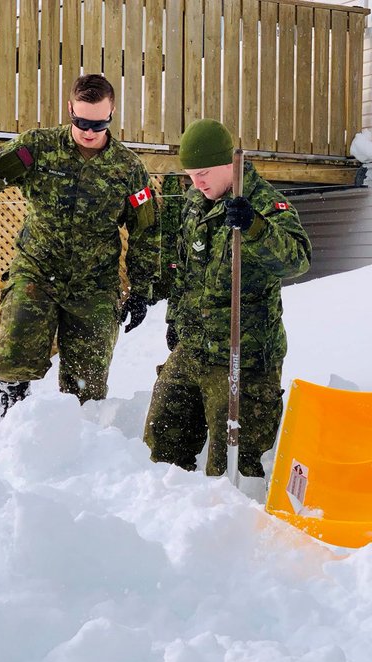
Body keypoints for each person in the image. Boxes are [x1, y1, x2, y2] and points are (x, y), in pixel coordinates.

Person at [0, 73, 161, 415]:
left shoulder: (128, 169)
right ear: (70, 108)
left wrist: (143, 288)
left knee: (88, 383)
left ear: (112, 112)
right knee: (15, 354)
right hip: (37, 271)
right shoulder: (37, 148)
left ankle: (80, 437)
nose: (89, 131)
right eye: (81, 121)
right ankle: (11, 409)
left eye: (99, 124)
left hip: (94, 285)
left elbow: (146, 231)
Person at [144, 118, 311, 480]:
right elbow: (186, 271)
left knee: (232, 469)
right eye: (190, 175)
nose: (196, 182)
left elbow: (296, 260)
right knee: (162, 443)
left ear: (229, 163)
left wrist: (254, 227)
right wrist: (175, 319)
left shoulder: (264, 203)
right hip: (193, 349)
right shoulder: (193, 204)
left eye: (203, 173)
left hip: (242, 358)